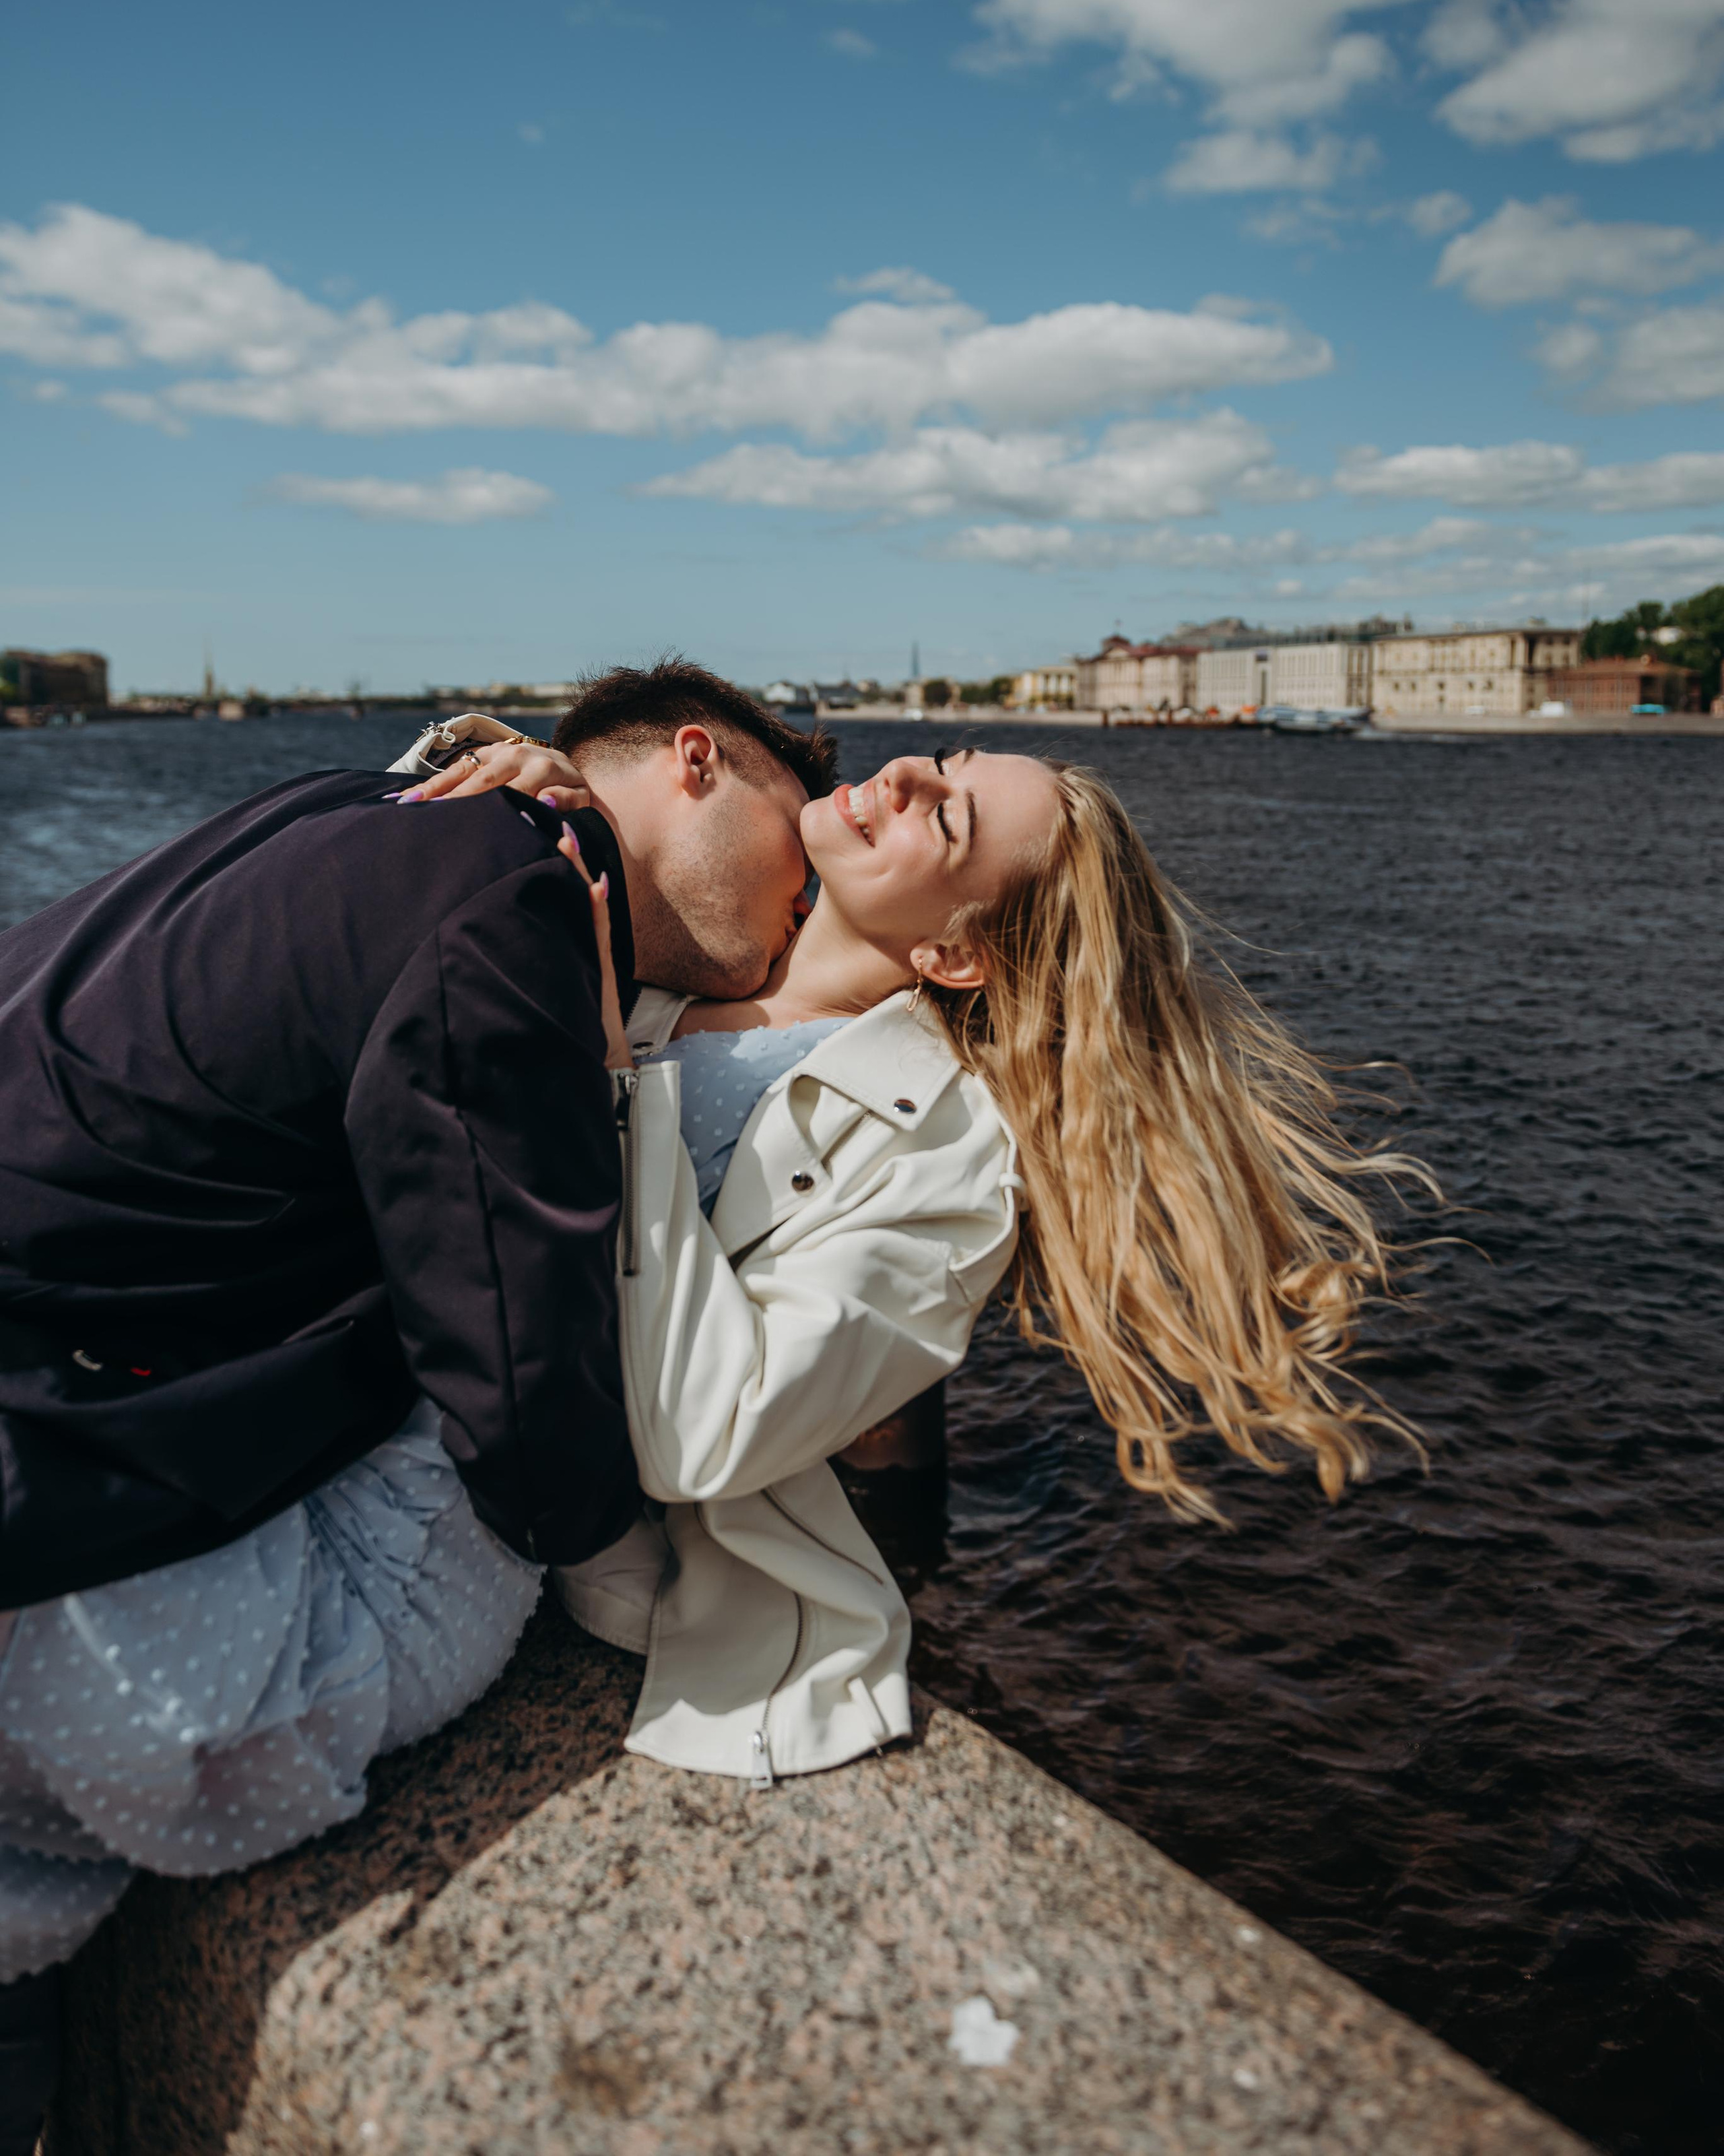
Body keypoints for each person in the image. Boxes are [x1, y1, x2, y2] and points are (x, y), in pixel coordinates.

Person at [0, 662, 831, 2152]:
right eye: (800, 823)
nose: (810, 893)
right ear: (698, 763)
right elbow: (520, 1400)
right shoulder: (503, 913)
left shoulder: (374, 809)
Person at [416, 711, 1422, 1788]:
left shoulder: (952, 1163)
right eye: (940, 764)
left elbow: (703, 1434)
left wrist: (619, 1092)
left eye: (948, 820)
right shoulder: (688, 943)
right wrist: (519, 802)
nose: (901, 775)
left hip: (533, 1551)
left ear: (951, 952)